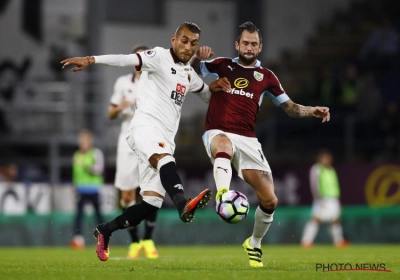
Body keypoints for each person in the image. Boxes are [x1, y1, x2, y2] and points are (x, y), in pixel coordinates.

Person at [61, 22, 216, 261]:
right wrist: (91, 60)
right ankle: (183, 204)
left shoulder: (188, 74)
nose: (188, 47)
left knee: (151, 203)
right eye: (184, 40)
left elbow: (208, 95)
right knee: (165, 160)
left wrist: (219, 81)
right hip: (144, 128)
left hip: (165, 138)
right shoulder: (158, 57)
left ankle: (105, 231)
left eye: (193, 43)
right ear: (173, 40)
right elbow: (124, 59)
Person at [190, 21, 330, 267]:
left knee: (270, 201)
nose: (249, 47)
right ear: (237, 44)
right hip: (218, 131)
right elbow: (187, 69)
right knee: (222, 144)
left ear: (260, 47)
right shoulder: (221, 64)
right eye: (245, 42)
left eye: (254, 44)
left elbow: (291, 108)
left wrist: (312, 111)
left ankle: (254, 243)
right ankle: (223, 195)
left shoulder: (267, 77)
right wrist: (195, 55)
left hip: (248, 140)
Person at [108, 44, 159, 259]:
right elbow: (110, 113)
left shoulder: (156, 82)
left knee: (152, 192)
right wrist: (121, 106)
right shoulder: (122, 83)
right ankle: (136, 242)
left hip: (149, 141)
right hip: (127, 142)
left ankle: (147, 240)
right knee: (127, 195)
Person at [301, 149, 349, 248]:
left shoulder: (331, 170)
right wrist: (318, 198)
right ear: (320, 159)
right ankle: (306, 241)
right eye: (325, 158)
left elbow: (335, 185)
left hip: (334, 198)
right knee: (316, 219)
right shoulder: (317, 169)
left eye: (329, 158)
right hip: (322, 199)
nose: (327, 160)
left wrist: (338, 200)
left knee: (335, 220)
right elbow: (314, 184)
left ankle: (338, 241)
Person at [70, 129, 105, 249]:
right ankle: (78, 239)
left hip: (93, 189)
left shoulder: (96, 153)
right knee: (79, 215)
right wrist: (74, 188)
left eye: (84, 141)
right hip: (81, 189)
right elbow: (76, 174)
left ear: (90, 142)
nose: (82, 143)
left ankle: (103, 237)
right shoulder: (77, 155)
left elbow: (99, 169)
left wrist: (86, 166)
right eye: (81, 141)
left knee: (98, 215)